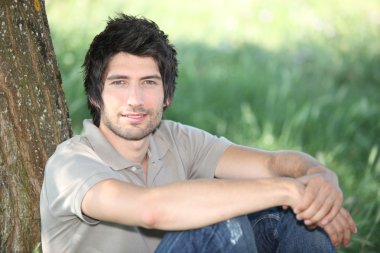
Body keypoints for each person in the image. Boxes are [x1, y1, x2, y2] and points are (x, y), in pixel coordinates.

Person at [40, 14, 357, 253]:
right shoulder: (70, 164)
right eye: (119, 82)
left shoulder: (174, 139)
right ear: (95, 96)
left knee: (295, 219)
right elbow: (151, 210)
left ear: (167, 96)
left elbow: (275, 164)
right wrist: (290, 191)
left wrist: (318, 181)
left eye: (149, 82)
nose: (134, 99)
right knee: (221, 225)